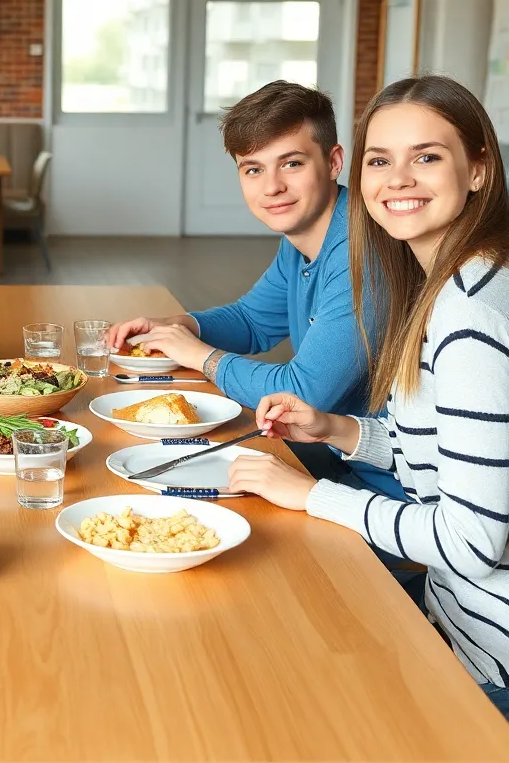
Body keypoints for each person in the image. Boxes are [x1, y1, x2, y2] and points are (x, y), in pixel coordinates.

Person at [227, 76, 509, 718]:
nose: (397, 179)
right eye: (381, 160)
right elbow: (446, 450)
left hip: (487, 657)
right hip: (455, 617)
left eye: (427, 157)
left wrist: (310, 495)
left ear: (480, 172)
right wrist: (338, 430)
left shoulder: (471, 318)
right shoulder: (460, 279)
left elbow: (470, 543)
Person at [107, 81, 399, 497]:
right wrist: (178, 325)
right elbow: (253, 321)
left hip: (382, 490)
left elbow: (301, 394)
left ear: (334, 161)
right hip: (326, 456)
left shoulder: (364, 253)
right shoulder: (307, 235)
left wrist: (199, 356)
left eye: (292, 164)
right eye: (253, 169)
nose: (272, 187)